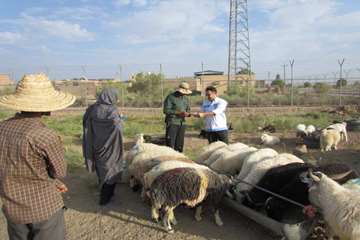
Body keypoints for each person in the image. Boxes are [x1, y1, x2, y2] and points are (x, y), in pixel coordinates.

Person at [0, 73, 75, 240]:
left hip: (13, 209)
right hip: (43, 209)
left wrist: (52, 181)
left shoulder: (2, 128)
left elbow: (13, 166)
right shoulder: (45, 136)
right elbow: (59, 172)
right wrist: (53, 179)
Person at [83, 88, 124, 205]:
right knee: (112, 168)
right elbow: (117, 126)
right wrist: (120, 121)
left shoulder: (92, 109)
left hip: (96, 144)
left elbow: (85, 122)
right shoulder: (112, 111)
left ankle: (103, 188)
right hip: (111, 146)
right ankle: (105, 198)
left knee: (101, 167)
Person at [163, 82, 192, 152]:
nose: (184, 94)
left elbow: (188, 109)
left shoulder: (186, 99)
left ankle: (179, 157)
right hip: (172, 122)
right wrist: (179, 113)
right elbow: (166, 110)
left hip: (182, 123)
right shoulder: (170, 97)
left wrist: (188, 114)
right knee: (170, 143)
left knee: (179, 143)